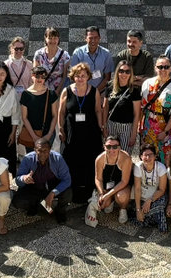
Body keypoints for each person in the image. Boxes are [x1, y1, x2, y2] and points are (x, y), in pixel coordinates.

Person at [58, 63, 104, 203]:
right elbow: (61, 112)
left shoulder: (94, 91)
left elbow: (97, 110)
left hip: (90, 131)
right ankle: (74, 191)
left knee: (90, 159)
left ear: (88, 77)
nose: (80, 78)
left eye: (83, 76)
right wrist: (60, 128)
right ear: (73, 77)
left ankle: (89, 191)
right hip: (72, 131)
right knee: (72, 159)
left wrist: (101, 126)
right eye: (77, 76)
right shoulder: (67, 91)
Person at [13, 139, 72, 222]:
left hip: (52, 185)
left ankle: (60, 211)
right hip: (34, 185)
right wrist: (24, 178)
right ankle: (35, 204)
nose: (42, 154)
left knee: (68, 193)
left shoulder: (58, 158)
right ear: (35, 150)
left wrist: (53, 193)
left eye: (45, 151)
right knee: (17, 202)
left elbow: (67, 180)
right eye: (39, 151)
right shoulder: (27, 159)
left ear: (50, 150)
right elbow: (17, 180)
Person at [139, 56, 171, 163]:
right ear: (155, 68)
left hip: (166, 127)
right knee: (148, 157)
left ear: (170, 68)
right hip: (148, 127)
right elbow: (142, 107)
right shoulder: (147, 83)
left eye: (166, 67)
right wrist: (139, 127)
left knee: (166, 158)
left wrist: (165, 131)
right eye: (160, 67)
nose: (163, 70)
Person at [85, 136, 133, 226]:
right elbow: (98, 178)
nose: (112, 149)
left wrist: (107, 195)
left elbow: (124, 181)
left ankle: (123, 208)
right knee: (102, 204)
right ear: (104, 147)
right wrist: (101, 193)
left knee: (121, 196)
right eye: (108, 147)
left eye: (115, 147)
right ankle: (110, 201)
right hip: (107, 185)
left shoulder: (125, 158)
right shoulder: (99, 159)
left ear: (119, 147)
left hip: (122, 185)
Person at [103, 60, 141, 152]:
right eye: (121, 71)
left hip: (126, 127)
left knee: (124, 155)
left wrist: (133, 134)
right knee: (110, 153)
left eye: (127, 71)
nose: (124, 74)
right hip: (111, 125)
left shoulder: (134, 90)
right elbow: (105, 108)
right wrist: (104, 127)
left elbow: (137, 114)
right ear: (117, 72)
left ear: (130, 73)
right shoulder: (110, 86)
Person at [19, 66, 59, 148]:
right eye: (37, 76)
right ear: (32, 76)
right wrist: (34, 136)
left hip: (48, 133)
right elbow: (24, 117)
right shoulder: (26, 94)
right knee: (31, 159)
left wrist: (49, 135)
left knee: (46, 159)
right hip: (30, 134)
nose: (40, 79)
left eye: (43, 76)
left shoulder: (51, 94)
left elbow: (55, 115)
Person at [132, 144, 168, 232]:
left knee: (160, 204)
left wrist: (150, 200)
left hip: (156, 195)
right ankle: (149, 216)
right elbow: (137, 188)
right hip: (142, 194)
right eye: (145, 155)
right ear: (141, 156)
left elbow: (162, 190)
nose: (148, 157)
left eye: (151, 154)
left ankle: (146, 216)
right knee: (134, 206)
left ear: (155, 156)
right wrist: (138, 209)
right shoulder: (138, 167)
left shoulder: (161, 168)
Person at [69, 26, 113, 92]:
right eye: (90, 38)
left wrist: (95, 92)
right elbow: (73, 75)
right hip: (81, 91)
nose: (93, 40)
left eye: (95, 38)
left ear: (99, 38)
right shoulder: (78, 53)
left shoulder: (106, 54)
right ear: (85, 39)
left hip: (100, 92)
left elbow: (107, 77)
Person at [32, 27, 70, 97]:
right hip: (41, 89)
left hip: (59, 90)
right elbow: (35, 74)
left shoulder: (65, 55)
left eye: (55, 38)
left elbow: (65, 76)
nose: (53, 41)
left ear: (58, 39)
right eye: (50, 38)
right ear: (45, 39)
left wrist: (57, 91)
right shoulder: (39, 54)